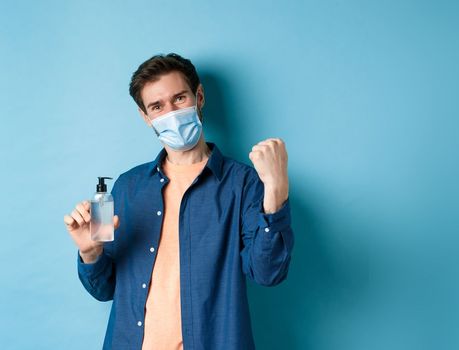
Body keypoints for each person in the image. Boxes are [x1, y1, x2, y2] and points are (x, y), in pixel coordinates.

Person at [63, 53, 294, 349]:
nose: (170, 112)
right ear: (145, 117)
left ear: (199, 97)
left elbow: (268, 273)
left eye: (179, 98)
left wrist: (276, 187)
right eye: (157, 106)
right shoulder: (125, 187)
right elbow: (104, 289)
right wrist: (91, 252)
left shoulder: (245, 183)